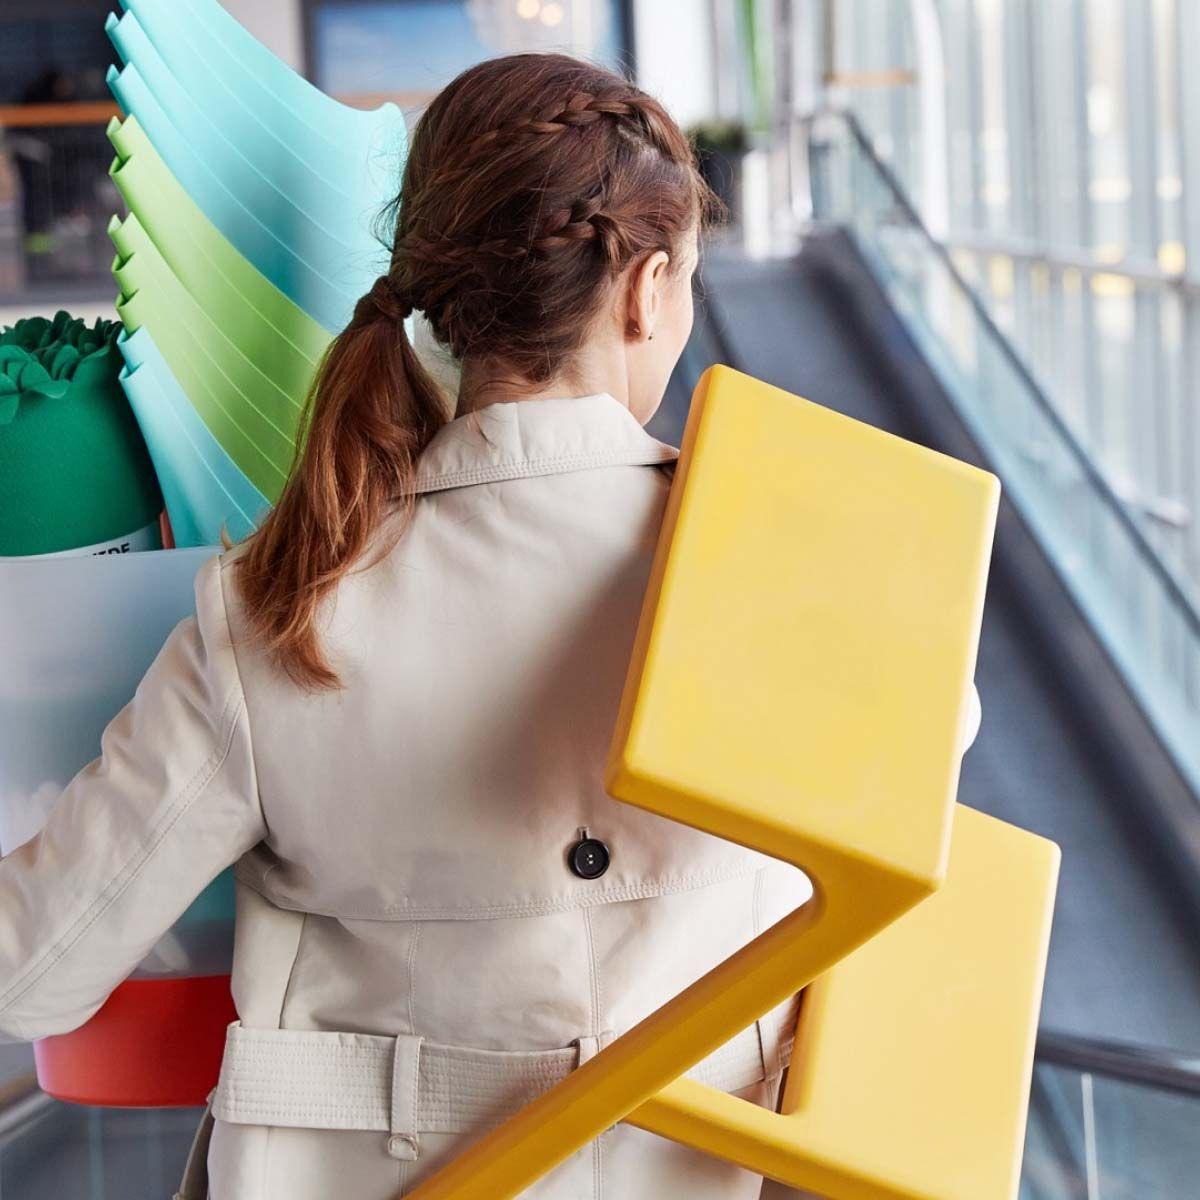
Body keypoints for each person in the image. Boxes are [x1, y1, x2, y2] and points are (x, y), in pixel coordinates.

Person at [0, 54, 980, 1199]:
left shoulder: (278, 603)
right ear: (648, 288)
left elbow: (33, 973)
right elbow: (927, 791)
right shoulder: (799, 555)